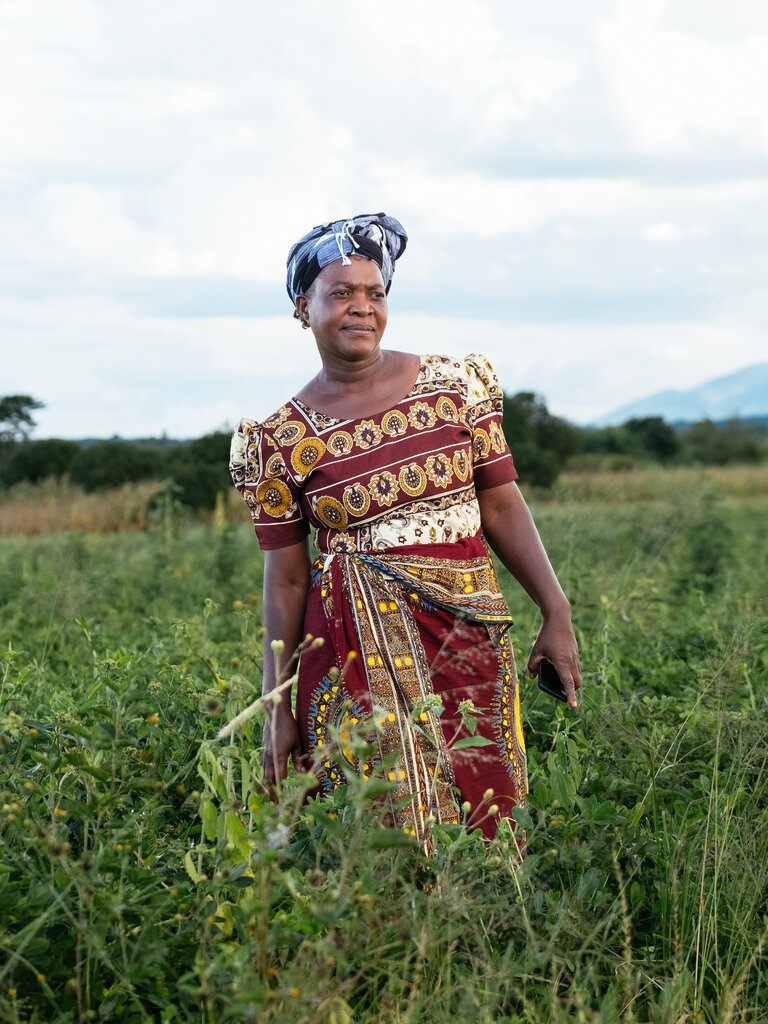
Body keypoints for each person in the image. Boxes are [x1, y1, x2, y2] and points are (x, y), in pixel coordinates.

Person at [230, 213, 580, 847]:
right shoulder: (279, 442)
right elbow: (285, 583)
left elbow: (501, 507)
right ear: (302, 307)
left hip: (470, 645)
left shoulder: (455, 389)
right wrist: (275, 708)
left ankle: (486, 937)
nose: (361, 308)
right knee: (375, 824)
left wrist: (555, 612)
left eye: (375, 293)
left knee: (490, 805)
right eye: (340, 293)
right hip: (348, 658)